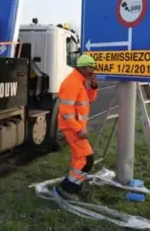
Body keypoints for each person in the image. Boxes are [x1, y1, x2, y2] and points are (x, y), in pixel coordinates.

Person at [55, 54, 98, 200]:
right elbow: (66, 112)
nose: (93, 71)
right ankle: (68, 189)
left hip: (76, 127)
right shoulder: (72, 83)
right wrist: (78, 130)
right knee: (87, 158)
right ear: (85, 67)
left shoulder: (80, 81)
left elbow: (90, 99)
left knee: (78, 158)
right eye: (92, 68)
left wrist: (93, 85)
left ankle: (72, 187)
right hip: (73, 128)